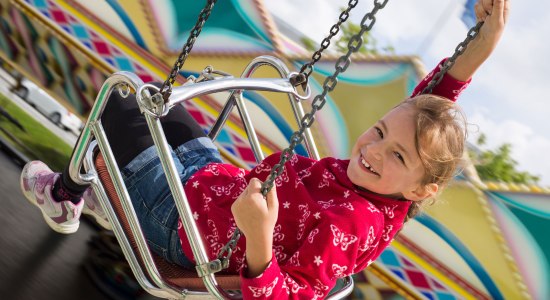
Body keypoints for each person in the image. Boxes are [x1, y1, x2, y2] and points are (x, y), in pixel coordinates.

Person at [20, 0, 508, 298]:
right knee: (159, 102)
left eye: (397, 155)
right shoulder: (392, 195)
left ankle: (65, 196)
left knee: (120, 104)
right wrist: (480, 51)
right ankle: (90, 193)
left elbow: (288, 296)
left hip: (182, 222)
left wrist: (259, 235)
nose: (376, 150)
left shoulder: (353, 223)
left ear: (426, 187)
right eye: (380, 131)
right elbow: (430, 106)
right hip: (212, 180)